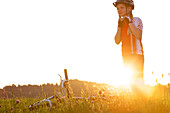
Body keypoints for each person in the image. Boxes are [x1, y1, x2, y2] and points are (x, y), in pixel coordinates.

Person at [113, 0, 144, 84]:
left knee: (138, 82)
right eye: (118, 8)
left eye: (122, 8)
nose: (119, 10)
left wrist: (129, 22)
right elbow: (117, 41)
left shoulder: (137, 20)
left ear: (129, 8)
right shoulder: (121, 23)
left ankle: (142, 97)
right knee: (131, 83)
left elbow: (138, 35)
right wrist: (119, 26)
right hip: (126, 55)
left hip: (137, 55)